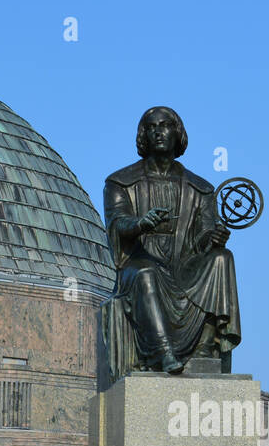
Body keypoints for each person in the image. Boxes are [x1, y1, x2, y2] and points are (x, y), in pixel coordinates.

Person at [102, 105, 240, 378]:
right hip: (139, 262)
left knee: (222, 258)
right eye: (151, 127)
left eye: (164, 125)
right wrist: (142, 223)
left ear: (178, 134)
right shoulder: (120, 183)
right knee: (146, 274)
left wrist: (212, 238)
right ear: (143, 136)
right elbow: (117, 223)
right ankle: (163, 354)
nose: (158, 132)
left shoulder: (200, 189)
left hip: (183, 267)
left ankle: (203, 348)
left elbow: (203, 237)